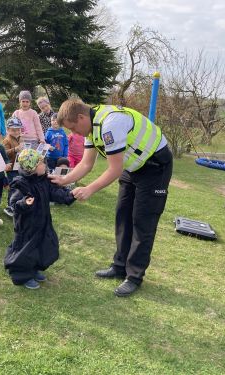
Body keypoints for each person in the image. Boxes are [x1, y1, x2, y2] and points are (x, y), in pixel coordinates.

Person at [49, 98, 173, 297]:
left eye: (73, 128)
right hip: (132, 167)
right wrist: (63, 180)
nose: (74, 134)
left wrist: (89, 189)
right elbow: (86, 164)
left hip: (155, 167)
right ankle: (119, 266)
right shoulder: (91, 127)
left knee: (143, 221)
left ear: (81, 117)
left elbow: (114, 169)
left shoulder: (110, 124)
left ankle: (134, 277)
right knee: (122, 215)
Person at [4, 149, 75, 289]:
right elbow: (14, 204)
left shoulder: (45, 180)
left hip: (42, 221)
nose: (45, 165)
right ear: (32, 168)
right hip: (27, 225)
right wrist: (24, 203)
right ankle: (22, 275)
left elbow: (55, 193)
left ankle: (34, 269)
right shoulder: (20, 183)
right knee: (25, 249)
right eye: (42, 163)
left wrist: (71, 195)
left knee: (43, 246)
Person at [2, 117, 24, 217]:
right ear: (8, 130)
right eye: (13, 130)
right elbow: (4, 153)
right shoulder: (6, 140)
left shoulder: (20, 138)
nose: (16, 132)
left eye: (18, 129)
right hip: (11, 168)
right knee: (13, 187)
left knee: (20, 186)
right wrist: (15, 149)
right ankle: (10, 207)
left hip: (19, 166)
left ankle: (17, 205)